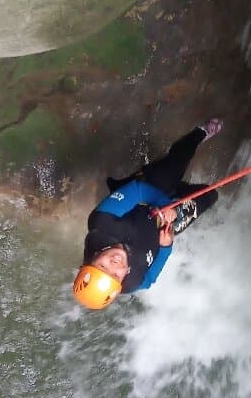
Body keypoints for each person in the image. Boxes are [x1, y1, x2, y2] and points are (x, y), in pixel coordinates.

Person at [73, 120, 223, 309]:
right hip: (163, 224)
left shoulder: (102, 222)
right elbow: (150, 279)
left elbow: (137, 191)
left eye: (102, 266)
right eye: (116, 275)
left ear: (89, 261)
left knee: (174, 166)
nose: (114, 264)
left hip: (143, 196)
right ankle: (177, 190)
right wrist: (166, 246)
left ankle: (200, 133)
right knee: (210, 194)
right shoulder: (132, 283)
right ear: (120, 285)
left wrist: (164, 205)